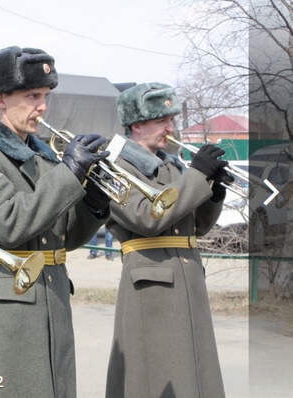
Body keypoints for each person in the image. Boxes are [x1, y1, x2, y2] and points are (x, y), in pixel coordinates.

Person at [0, 46, 110, 398]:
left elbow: (66, 236)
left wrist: (94, 203)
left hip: (52, 299)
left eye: (45, 96)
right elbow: (8, 224)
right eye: (32, 96)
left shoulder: (43, 156)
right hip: (12, 309)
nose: (42, 106)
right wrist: (68, 173)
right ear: (0, 99)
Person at [105, 82, 229, 398]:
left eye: (171, 120)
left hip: (188, 281)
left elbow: (196, 228)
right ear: (136, 124)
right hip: (151, 288)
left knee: (194, 378)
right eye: (162, 120)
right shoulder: (114, 166)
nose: (169, 128)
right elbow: (147, 218)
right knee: (153, 378)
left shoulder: (173, 165)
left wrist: (213, 193)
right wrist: (197, 177)